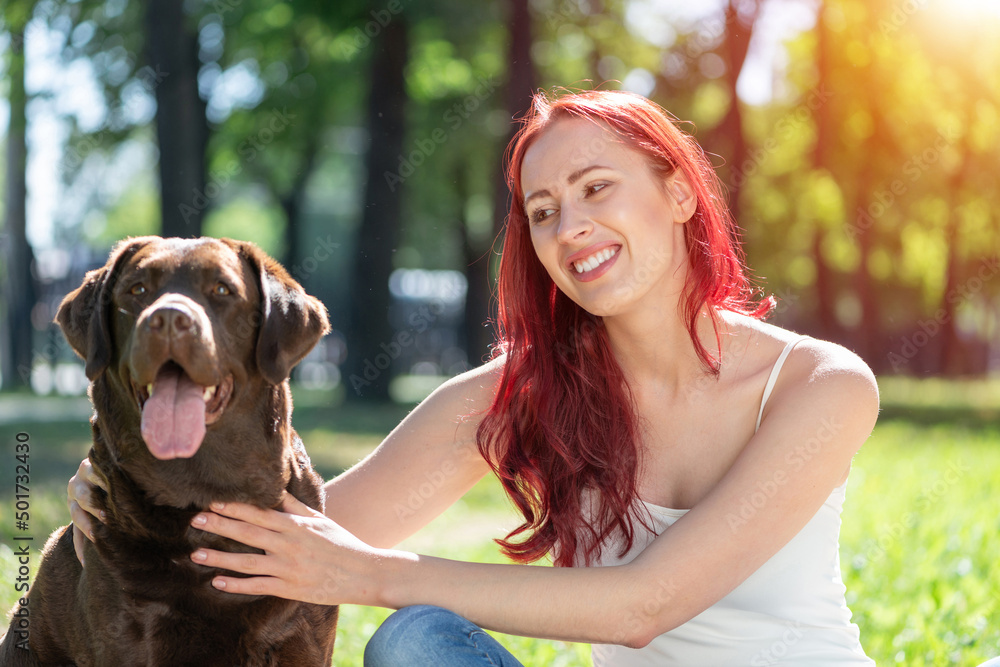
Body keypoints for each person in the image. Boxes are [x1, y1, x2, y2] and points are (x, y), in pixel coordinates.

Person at [69, 89, 880, 665]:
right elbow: (301, 532)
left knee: (403, 615)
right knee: (415, 645)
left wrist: (374, 575)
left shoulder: (821, 384)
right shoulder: (521, 395)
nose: (572, 225)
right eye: (543, 210)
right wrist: (117, 494)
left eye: (598, 187)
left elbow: (646, 606)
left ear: (676, 191)